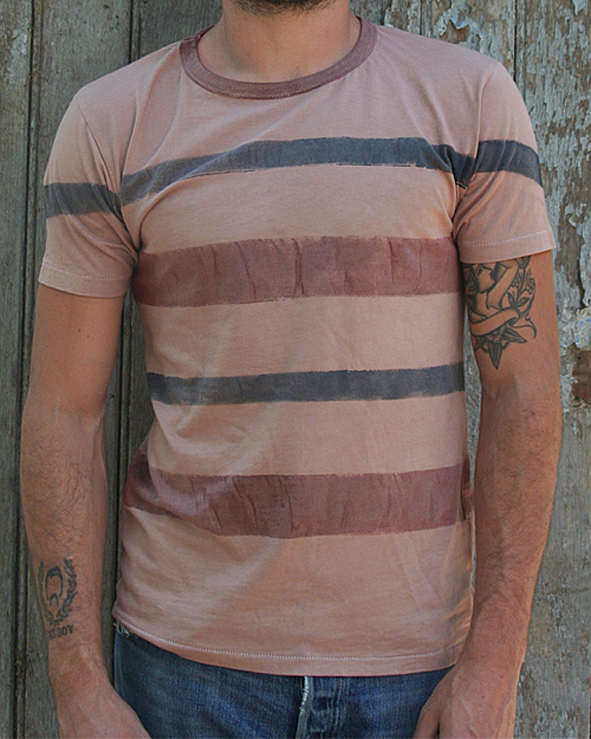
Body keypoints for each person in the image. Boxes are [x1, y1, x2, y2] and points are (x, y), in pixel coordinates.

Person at [20, 0, 562, 734]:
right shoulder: (111, 123)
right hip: (184, 671)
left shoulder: (468, 102)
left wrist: (496, 660)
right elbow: (64, 412)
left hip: (417, 675)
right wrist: (78, 683)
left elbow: (523, 389)